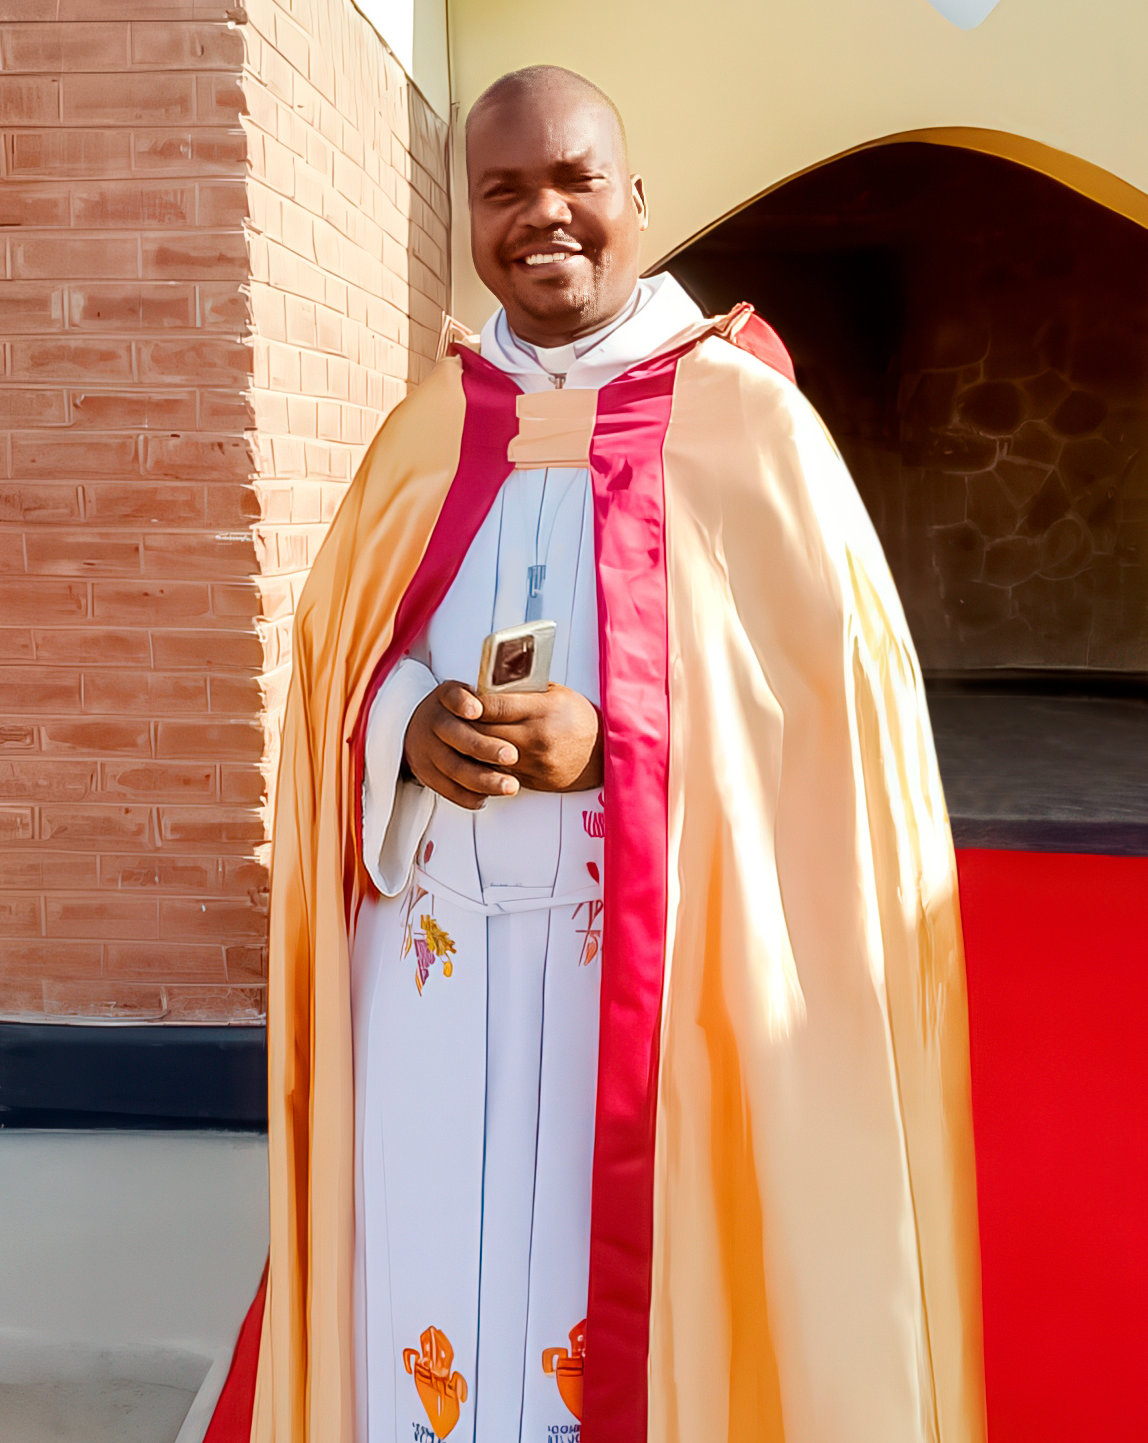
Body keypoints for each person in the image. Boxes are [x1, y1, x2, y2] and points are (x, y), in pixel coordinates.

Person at [217, 65, 986, 1443]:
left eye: (574, 181)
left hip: (646, 969)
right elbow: (342, 673)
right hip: (436, 964)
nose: (543, 216)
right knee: (431, 1285)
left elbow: (832, 733)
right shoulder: (428, 430)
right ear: (468, 219)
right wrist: (406, 728)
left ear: (635, 198)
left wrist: (616, 743)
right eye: (503, 191)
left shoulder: (751, 429)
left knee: (613, 1294)